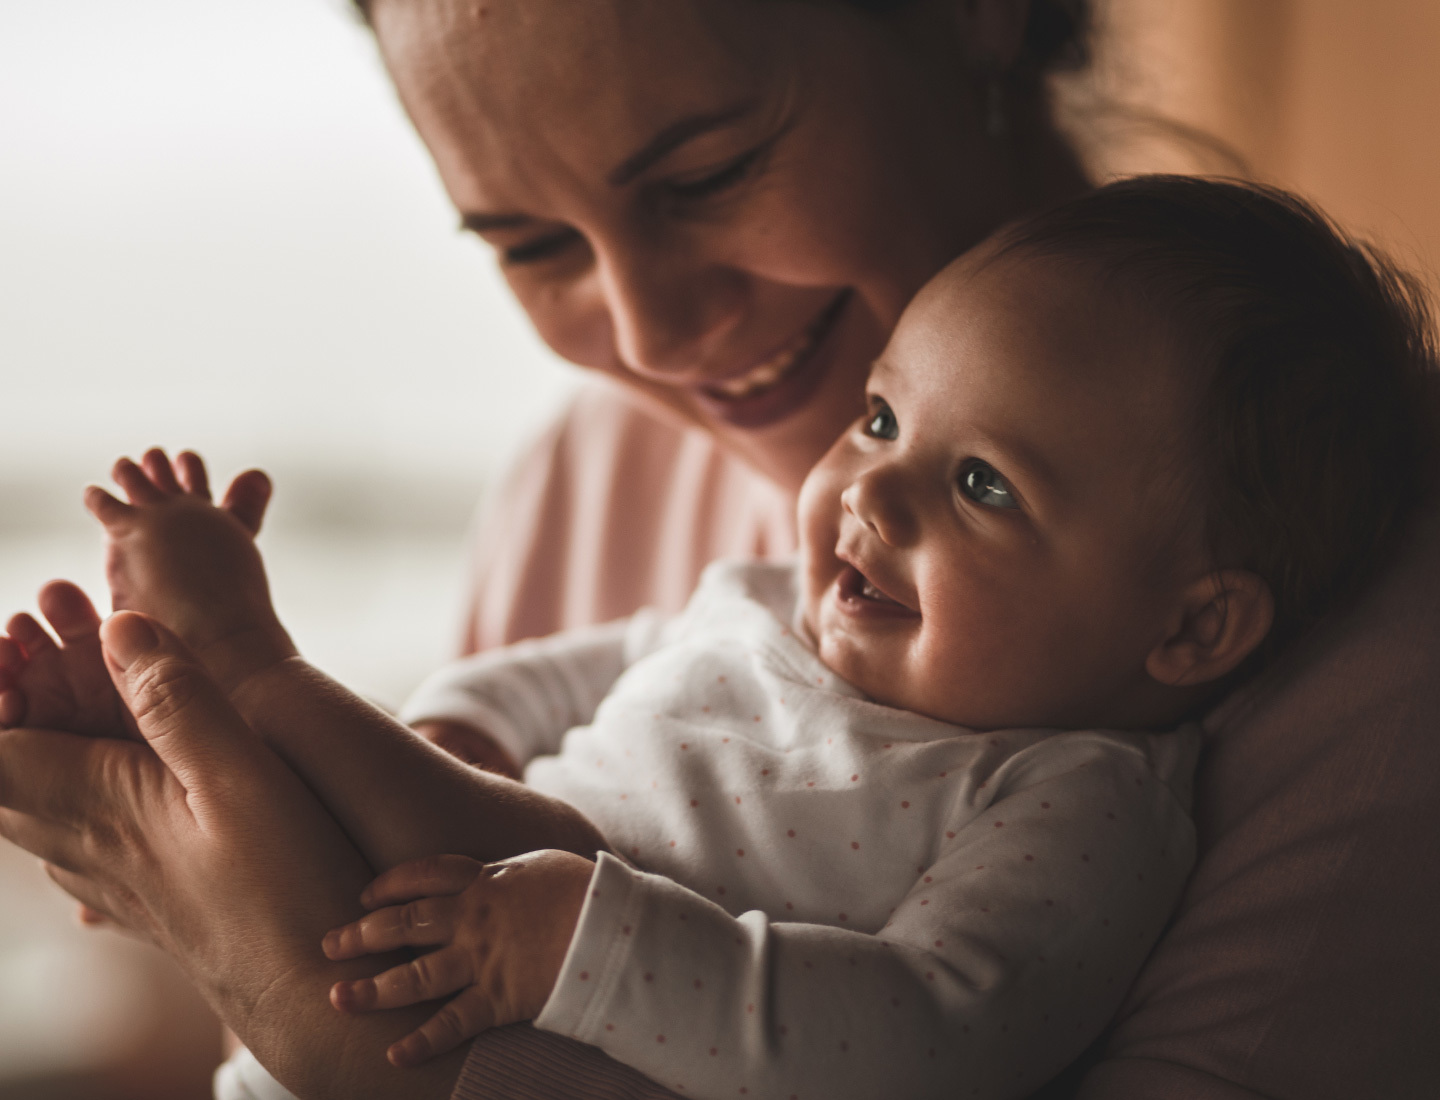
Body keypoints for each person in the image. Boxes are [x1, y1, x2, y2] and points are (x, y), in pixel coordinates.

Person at [2, 0, 1440, 1095]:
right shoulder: (594, 477)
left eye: (705, 174)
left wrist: (299, 988)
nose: (646, 336)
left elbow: (916, 1034)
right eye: (532, 246)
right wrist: (269, 836)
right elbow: (497, 740)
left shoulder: (1353, 648)